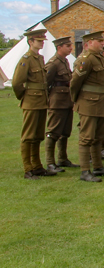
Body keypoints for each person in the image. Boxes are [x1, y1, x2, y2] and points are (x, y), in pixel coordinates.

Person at [12, 28, 57, 180]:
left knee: (37, 135)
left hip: (41, 102)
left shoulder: (39, 58)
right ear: (30, 42)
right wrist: (25, 97)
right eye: (39, 41)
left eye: (42, 41)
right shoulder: (26, 59)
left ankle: (37, 166)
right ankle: (28, 169)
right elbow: (17, 83)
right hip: (31, 102)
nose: (42, 43)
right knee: (28, 136)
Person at [70, 30, 104, 182]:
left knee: (98, 136)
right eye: (99, 41)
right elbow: (75, 83)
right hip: (88, 103)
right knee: (86, 137)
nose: (102, 43)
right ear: (89, 43)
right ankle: (85, 171)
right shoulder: (86, 60)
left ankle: (98, 167)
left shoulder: (100, 59)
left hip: (101, 102)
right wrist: (77, 100)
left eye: (102, 41)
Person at [44, 36, 77, 172]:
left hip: (67, 101)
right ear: (59, 47)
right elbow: (45, 83)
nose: (71, 48)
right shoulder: (53, 63)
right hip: (57, 102)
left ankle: (62, 158)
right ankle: (50, 162)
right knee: (53, 132)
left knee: (65, 132)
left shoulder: (65, 61)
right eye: (67, 46)